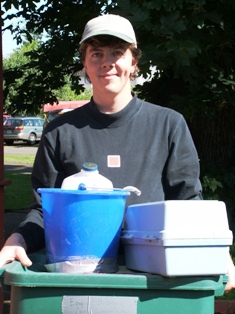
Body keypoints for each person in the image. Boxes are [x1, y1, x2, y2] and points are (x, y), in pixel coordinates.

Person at [0, 14, 221, 279]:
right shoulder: (60, 130)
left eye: (117, 52)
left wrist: (216, 256)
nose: (107, 63)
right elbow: (42, 209)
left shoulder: (169, 124)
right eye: (96, 54)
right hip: (78, 274)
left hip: (153, 275)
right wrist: (17, 240)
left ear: (133, 61)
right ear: (85, 63)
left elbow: (188, 205)